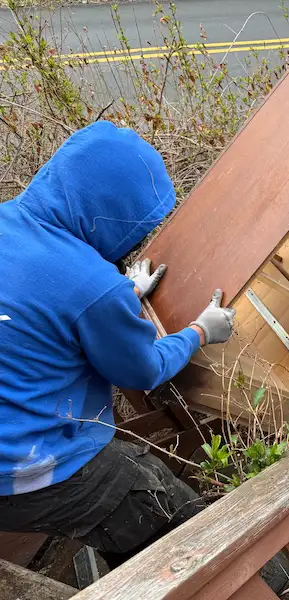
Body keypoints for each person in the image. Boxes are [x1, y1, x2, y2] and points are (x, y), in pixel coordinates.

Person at [0, 121, 235, 567]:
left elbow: (37, 304)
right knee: (171, 517)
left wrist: (118, 296)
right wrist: (201, 331)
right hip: (26, 472)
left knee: (122, 521)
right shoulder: (89, 286)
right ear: (115, 214)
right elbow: (143, 370)